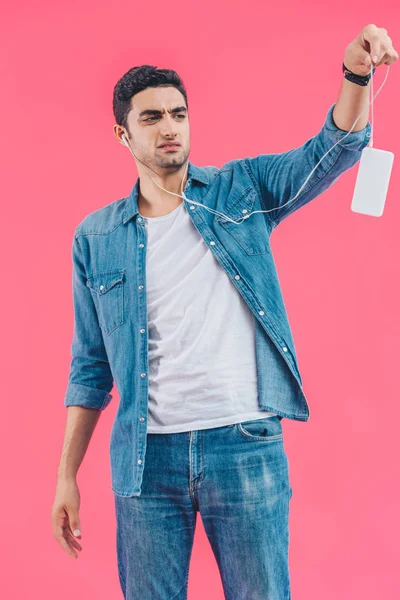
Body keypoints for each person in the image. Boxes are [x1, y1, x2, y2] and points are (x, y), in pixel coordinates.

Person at [52, 25, 397, 599]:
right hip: (146, 462)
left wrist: (355, 74)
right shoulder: (97, 238)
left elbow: (330, 150)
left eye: (178, 114)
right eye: (151, 117)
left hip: (243, 444)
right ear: (122, 133)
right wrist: (66, 476)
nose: (169, 127)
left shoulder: (242, 191)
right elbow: (90, 369)